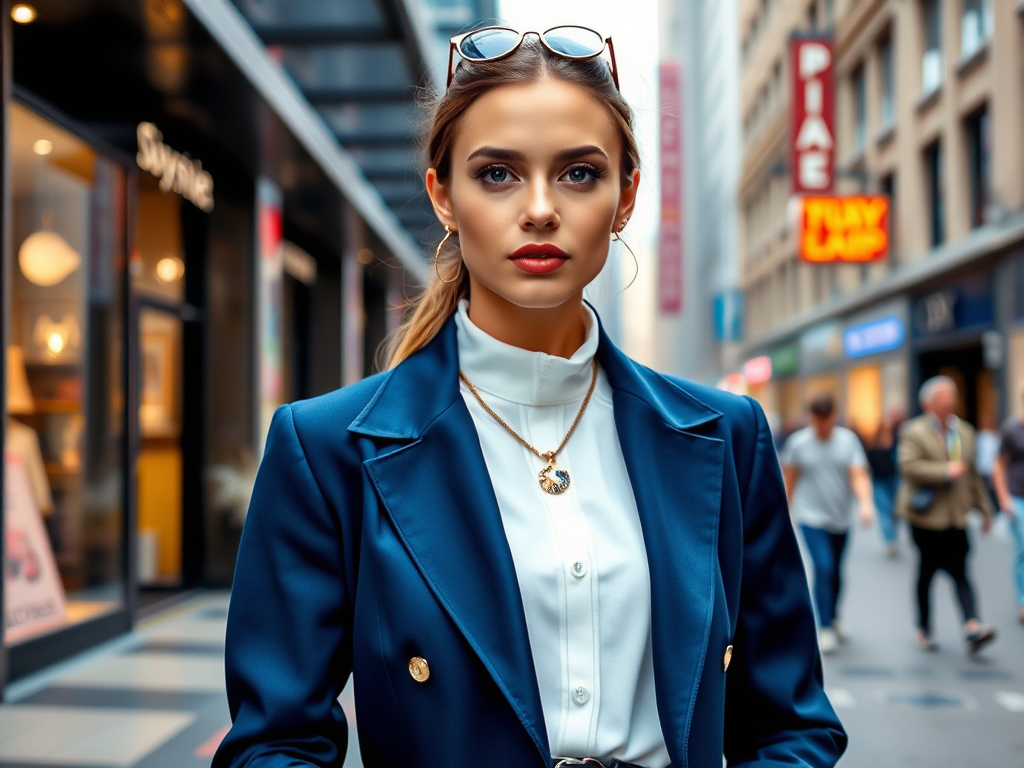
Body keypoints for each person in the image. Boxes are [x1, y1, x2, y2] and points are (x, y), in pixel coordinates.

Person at [213, 28, 845, 768]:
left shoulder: (726, 435)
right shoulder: (326, 449)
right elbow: (274, 744)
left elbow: (792, 723)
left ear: (626, 196)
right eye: (498, 174)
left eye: (579, 174)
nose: (541, 209)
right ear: (442, 194)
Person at [896, 376, 996, 653]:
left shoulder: (964, 432)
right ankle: (924, 628)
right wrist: (943, 471)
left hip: (957, 517)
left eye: (953, 396)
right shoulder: (913, 431)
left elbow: (974, 474)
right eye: (944, 397)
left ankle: (972, 624)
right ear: (928, 402)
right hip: (925, 517)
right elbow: (908, 467)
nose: (950, 401)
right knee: (927, 570)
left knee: (961, 570)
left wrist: (985, 510)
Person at [781, 393, 875, 654]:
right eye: (818, 420)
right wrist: (784, 514)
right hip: (810, 516)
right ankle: (824, 627)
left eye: (827, 420)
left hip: (841, 518)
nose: (823, 426)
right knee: (824, 567)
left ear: (834, 416)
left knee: (836, 571)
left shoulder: (848, 441)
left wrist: (866, 503)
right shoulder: (798, 444)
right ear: (811, 418)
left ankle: (833, 616)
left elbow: (858, 475)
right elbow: (790, 480)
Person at [991, 387, 1024, 625]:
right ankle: (1022, 601)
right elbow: (999, 466)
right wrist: (1004, 499)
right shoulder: (1012, 430)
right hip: (1018, 497)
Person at [864, 413, 900, 557]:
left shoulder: (896, 441)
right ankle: (890, 540)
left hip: (894, 480)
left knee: (895, 511)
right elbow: (867, 463)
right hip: (878, 481)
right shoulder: (872, 443)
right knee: (884, 511)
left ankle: (893, 536)